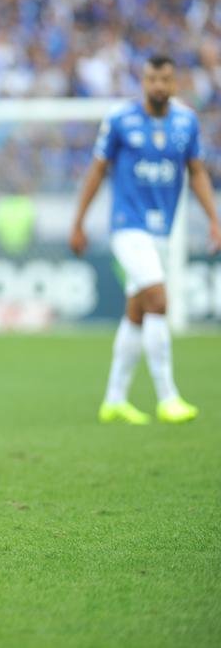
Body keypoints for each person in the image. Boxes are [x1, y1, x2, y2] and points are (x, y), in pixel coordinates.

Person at [70, 54, 220, 426]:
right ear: (143, 81)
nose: (158, 86)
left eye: (165, 79)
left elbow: (197, 172)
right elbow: (97, 171)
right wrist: (79, 222)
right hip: (128, 226)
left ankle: (114, 399)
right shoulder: (120, 119)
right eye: (152, 79)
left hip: (163, 231)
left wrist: (214, 220)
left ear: (175, 83)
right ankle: (168, 398)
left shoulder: (186, 122)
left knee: (137, 312)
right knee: (158, 298)